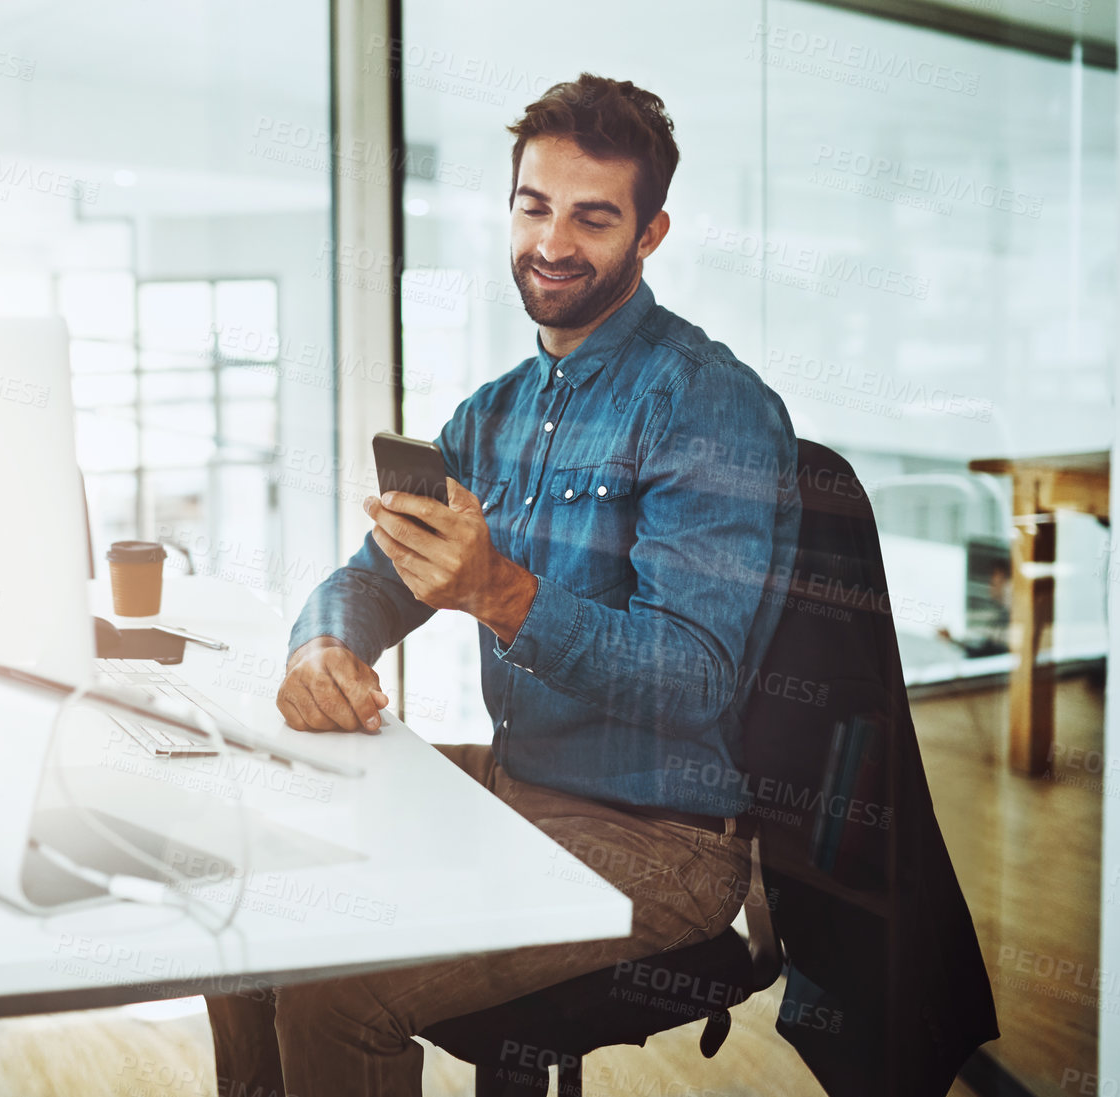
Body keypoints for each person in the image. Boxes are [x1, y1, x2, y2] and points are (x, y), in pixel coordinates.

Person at [206, 73, 803, 1097]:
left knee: (334, 993)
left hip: (665, 839)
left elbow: (696, 679)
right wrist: (323, 643)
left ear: (651, 232)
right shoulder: (495, 413)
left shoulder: (711, 406)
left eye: (593, 216)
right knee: (244, 903)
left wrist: (503, 593)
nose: (553, 242)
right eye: (534, 206)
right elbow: (372, 577)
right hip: (519, 785)